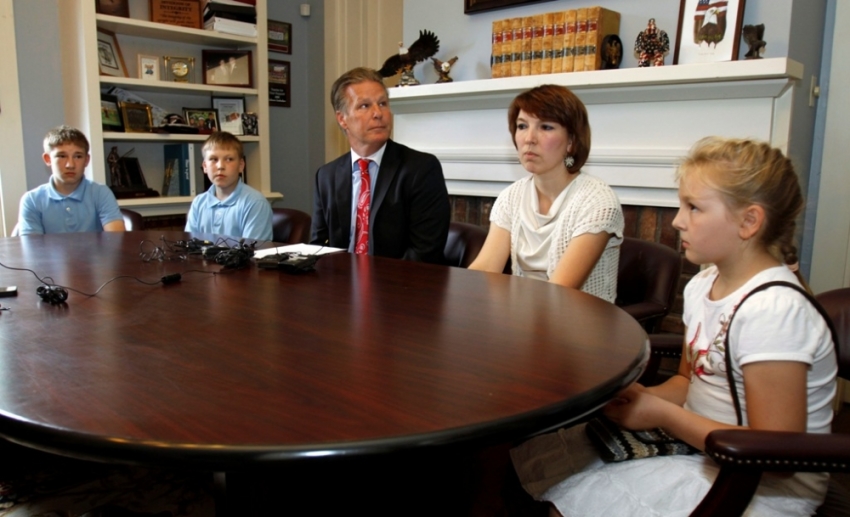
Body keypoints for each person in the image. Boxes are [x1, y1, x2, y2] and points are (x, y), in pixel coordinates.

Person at [524, 137, 838, 516]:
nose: (677, 220)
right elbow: (689, 381)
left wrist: (662, 415)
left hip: (760, 487)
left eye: (694, 207)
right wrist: (643, 397)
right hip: (703, 449)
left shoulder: (774, 311)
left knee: (568, 505)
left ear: (749, 221)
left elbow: (777, 457)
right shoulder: (703, 285)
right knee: (532, 455)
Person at [469, 84, 623, 302]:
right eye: (522, 126)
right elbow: (486, 268)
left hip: (580, 320)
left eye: (546, 127)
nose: (529, 138)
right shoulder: (510, 196)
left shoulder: (598, 201)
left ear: (571, 141)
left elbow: (559, 293)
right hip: (520, 315)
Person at [310, 67, 450, 263]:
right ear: (342, 119)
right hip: (340, 279)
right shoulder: (326, 176)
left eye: (382, 103)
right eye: (365, 106)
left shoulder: (421, 169)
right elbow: (318, 247)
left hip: (400, 280)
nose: (378, 113)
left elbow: (424, 253)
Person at [17, 125, 124, 235]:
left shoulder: (101, 193)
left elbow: (116, 240)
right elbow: (31, 245)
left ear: (86, 160)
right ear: (48, 159)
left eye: (78, 156)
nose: (70, 165)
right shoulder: (32, 200)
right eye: (62, 156)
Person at [185, 131, 272, 241]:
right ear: (205, 166)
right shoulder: (198, 203)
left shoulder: (255, 203)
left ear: (241, 165)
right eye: (213, 159)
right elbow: (190, 245)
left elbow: (252, 249)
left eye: (229, 159)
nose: (220, 166)